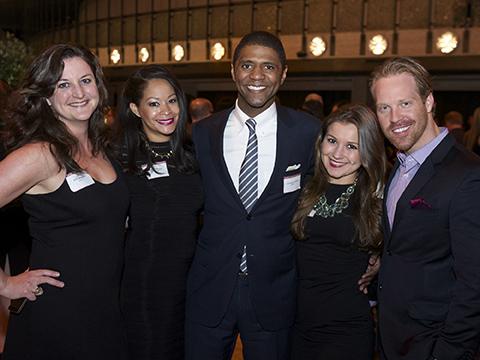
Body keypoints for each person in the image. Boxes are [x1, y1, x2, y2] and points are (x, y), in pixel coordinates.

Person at [185, 31, 377, 360]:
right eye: (247, 65)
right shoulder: (202, 133)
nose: (257, 76)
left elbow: (347, 183)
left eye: (269, 67)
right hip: (210, 286)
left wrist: (376, 252)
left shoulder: (307, 131)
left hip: (276, 292)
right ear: (233, 70)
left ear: (284, 74)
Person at [0, 44, 129, 359]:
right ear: (46, 96)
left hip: (107, 311)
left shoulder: (103, 149)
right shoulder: (40, 155)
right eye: (63, 85)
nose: (78, 92)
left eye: (85, 80)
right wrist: (4, 284)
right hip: (59, 317)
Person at [370, 56, 480, 360]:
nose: (395, 118)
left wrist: (446, 353)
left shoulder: (468, 174)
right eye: (384, 108)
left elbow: (474, 284)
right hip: (392, 340)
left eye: (405, 104)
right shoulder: (399, 167)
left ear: (428, 101)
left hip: (433, 345)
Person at [111, 64, 203, 360]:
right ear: (135, 109)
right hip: (143, 286)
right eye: (153, 103)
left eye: (172, 100)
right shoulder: (116, 158)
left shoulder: (194, 154)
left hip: (191, 286)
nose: (167, 110)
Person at [290, 104, 386, 359]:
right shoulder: (300, 188)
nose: (338, 153)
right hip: (294, 327)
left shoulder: (378, 198)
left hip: (346, 331)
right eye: (332, 141)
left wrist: (383, 260)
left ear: (367, 151)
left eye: (352, 146)